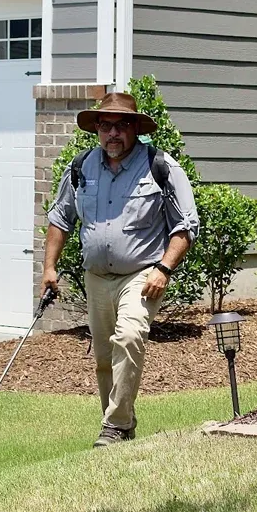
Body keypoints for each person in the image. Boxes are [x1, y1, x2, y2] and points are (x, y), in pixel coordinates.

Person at [42, 92, 200, 447]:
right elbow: (59, 218)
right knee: (103, 359)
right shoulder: (81, 167)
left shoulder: (161, 166)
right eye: (106, 125)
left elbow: (186, 225)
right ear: (97, 129)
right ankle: (121, 427)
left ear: (136, 128)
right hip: (96, 278)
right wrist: (49, 268)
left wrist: (164, 268)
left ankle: (113, 426)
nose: (113, 133)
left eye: (121, 125)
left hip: (142, 275)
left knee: (128, 338)